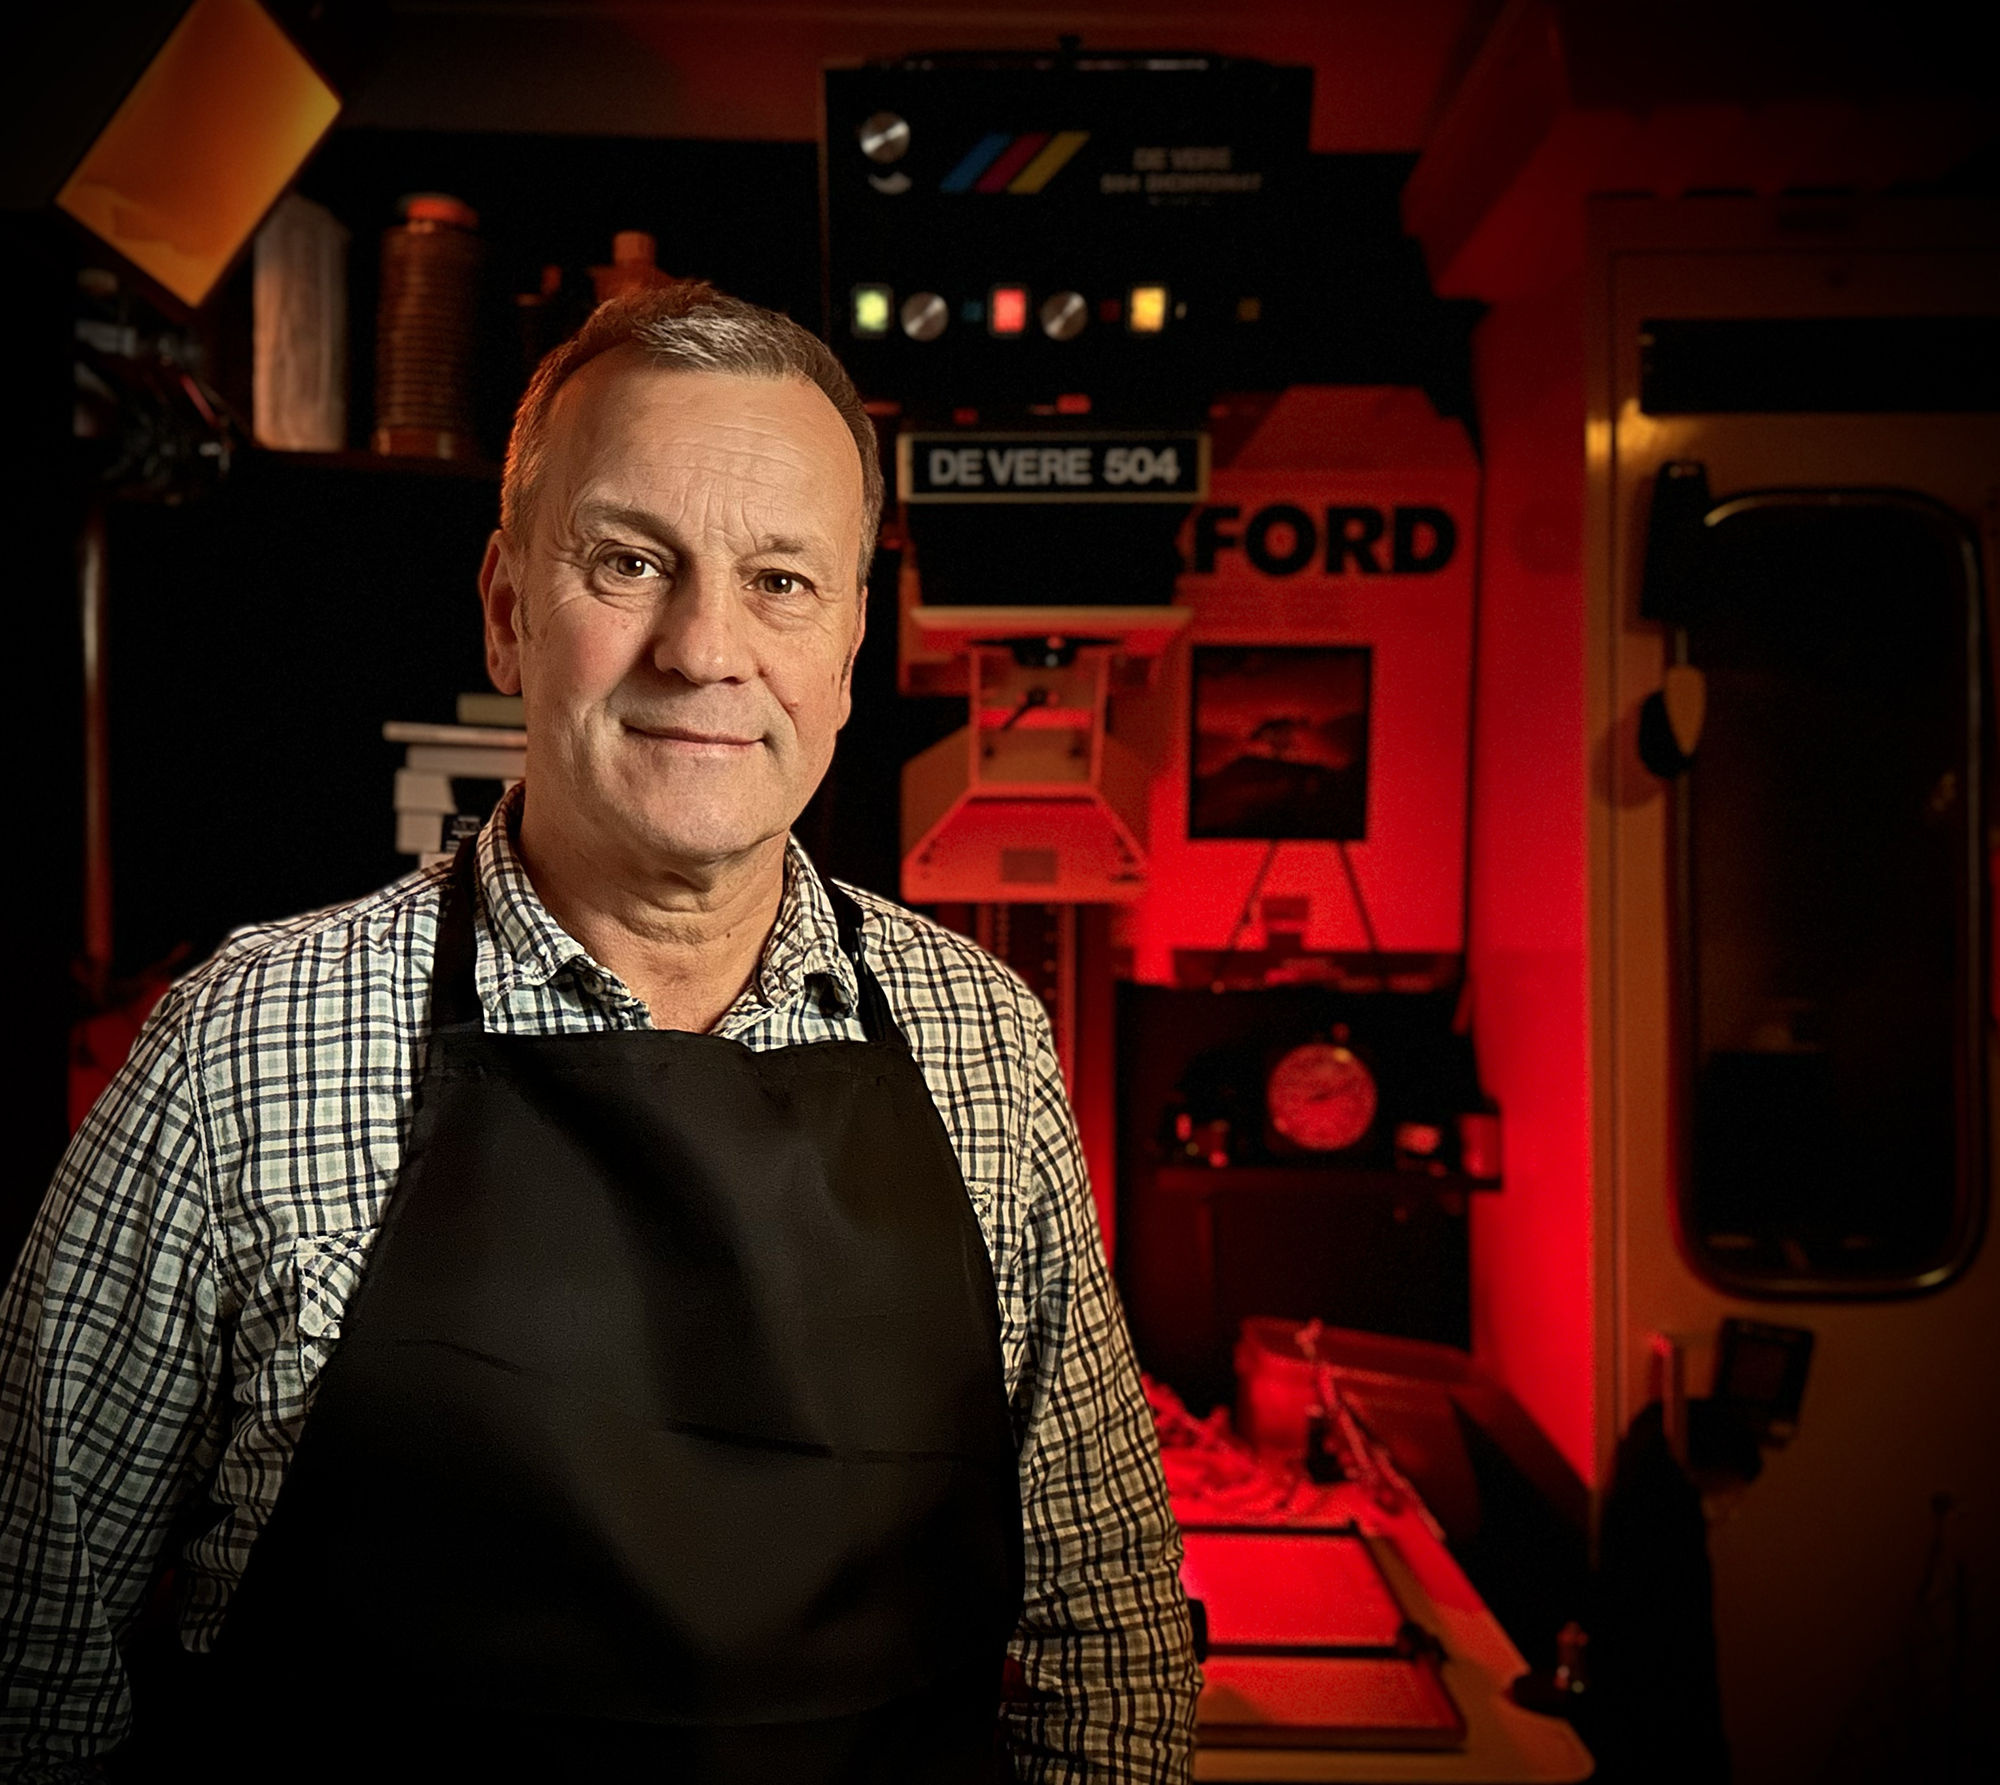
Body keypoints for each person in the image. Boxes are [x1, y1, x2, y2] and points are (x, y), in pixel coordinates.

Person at [0, 282, 1199, 1781]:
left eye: (781, 581)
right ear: (507, 611)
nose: (706, 648)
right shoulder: (239, 1045)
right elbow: (27, 1648)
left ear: (847, 649)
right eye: (631, 562)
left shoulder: (987, 1042)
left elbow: (1112, 1631)